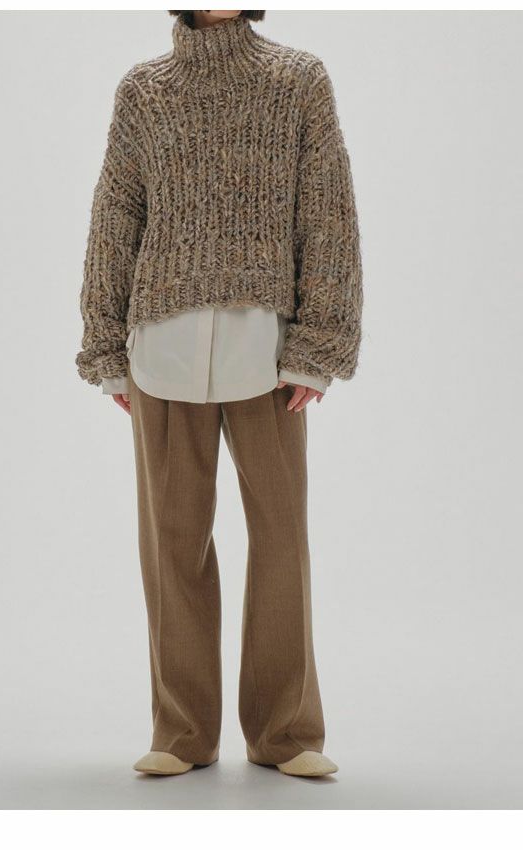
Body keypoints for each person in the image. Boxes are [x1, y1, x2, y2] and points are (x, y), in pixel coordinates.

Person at [76, 10, 362, 778]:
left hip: (267, 355)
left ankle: (286, 735)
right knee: (172, 545)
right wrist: (106, 346)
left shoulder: (297, 79)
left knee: (281, 540)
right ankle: (181, 733)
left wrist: (320, 344)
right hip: (160, 353)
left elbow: (327, 212)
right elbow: (116, 217)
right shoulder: (143, 90)